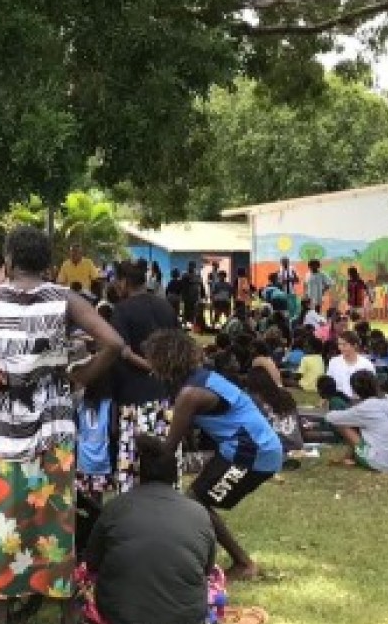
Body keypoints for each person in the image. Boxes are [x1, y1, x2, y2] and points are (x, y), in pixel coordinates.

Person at [0, 225, 123, 621]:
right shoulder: (65, 299)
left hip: (4, 422)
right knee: (54, 515)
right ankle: (64, 605)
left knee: (1, 513)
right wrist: (81, 378)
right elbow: (113, 344)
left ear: (8, 262)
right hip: (54, 422)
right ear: (49, 264)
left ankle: (2, 607)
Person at [144, 329, 282, 581]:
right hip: (245, 447)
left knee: (197, 501)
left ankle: (244, 563)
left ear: (165, 361)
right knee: (196, 499)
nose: (150, 366)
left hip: (251, 452)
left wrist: (138, 439)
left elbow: (168, 448)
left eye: (152, 360)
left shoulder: (190, 394)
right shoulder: (200, 379)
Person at [82, 435, 215, 624]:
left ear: (139, 475)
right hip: (185, 617)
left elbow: (92, 564)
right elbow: (207, 569)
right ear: (174, 475)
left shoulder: (115, 508)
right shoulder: (199, 513)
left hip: (120, 615)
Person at [109, 261, 182, 492]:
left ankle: (133, 512)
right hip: (167, 396)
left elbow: (119, 350)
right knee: (165, 456)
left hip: (135, 398)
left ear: (123, 282)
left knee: (133, 463)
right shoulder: (166, 307)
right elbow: (179, 347)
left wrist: (145, 363)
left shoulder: (121, 310)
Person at [324, 370, 388, 472]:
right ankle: (349, 457)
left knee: (342, 424)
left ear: (356, 391)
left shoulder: (366, 407)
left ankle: (349, 458)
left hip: (380, 462)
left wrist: (327, 407)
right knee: (355, 422)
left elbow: (332, 418)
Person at [326, 332, 376, 398]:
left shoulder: (366, 364)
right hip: (339, 401)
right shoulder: (333, 362)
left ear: (355, 345)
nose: (341, 348)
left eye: (344, 345)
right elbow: (328, 384)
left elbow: (372, 389)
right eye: (339, 344)